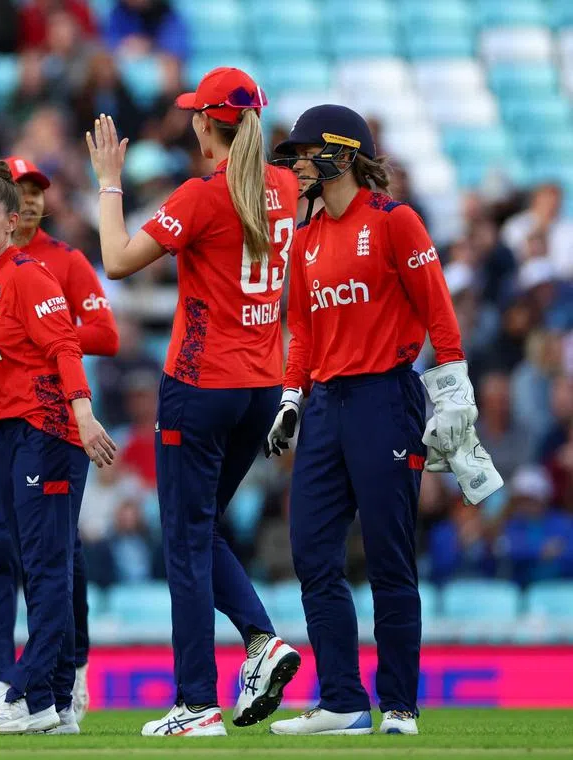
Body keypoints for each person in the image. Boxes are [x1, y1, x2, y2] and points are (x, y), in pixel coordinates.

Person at [85, 66, 303, 737]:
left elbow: (118, 259)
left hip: (201, 384)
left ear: (208, 124)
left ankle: (196, 701)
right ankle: (262, 641)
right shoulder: (287, 187)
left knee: (183, 539)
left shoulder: (203, 195)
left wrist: (109, 184)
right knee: (199, 526)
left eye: (195, 116)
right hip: (262, 387)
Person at [265, 104, 474, 737]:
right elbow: (301, 329)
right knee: (311, 551)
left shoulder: (395, 221)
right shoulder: (303, 239)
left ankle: (400, 707)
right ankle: (343, 702)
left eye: (306, 153)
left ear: (340, 154)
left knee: (388, 557)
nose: (297, 164)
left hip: (387, 398)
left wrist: (455, 392)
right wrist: (291, 398)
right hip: (326, 405)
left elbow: (437, 308)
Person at [0, 161, 117, 735]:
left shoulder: (29, 275)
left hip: (45, 431)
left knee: (48, 566)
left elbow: (65, 346)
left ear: (11, 223)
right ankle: (52, 703)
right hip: (5, 430)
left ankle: (31, 696)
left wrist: (82, 413)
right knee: (34, 560)